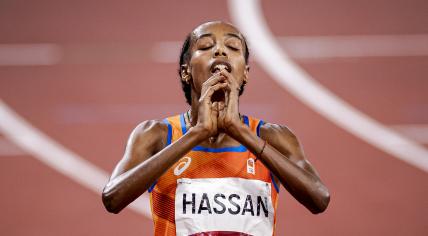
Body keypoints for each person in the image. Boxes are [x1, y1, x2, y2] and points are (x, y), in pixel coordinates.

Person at [102, 21, 330, 236]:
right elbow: (112, 198)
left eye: (232, 47)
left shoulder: (272, 137)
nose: (220, 52)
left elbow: (319, 199)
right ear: (185, 72)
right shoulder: (157, 135)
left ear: (246, 73)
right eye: (205, 46)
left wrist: (239, 130)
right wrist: (197, 133)